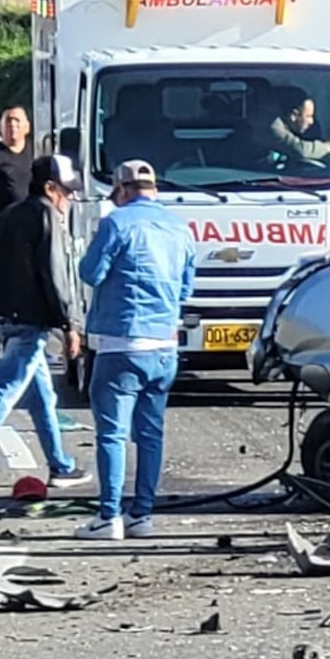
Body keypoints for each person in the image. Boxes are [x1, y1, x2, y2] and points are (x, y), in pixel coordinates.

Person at [75, 160, 196, 540]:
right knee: (150, 433)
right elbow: (186, 288)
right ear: (154, 188)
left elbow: (89, 273)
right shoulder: (180, 227)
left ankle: (108, 516)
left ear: (122, 189)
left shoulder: (116, 222)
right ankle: (142, 514)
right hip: (165, 344)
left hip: (122, 340)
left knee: (111, 433)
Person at [0, 156, 90, 489]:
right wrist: (69, 324)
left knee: (42, 396)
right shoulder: (46, 216)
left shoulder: (8, 216)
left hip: (7, 316)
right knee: (3, 392)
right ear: (50, 188)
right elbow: (55, 275)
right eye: (67, 191)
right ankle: (60, 465)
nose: (71, 199)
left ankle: (61, 466)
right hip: (31, 320)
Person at [269, 90, 330, 161]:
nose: (312, 122)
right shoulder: (273, 125)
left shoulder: (307, 129)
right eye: (308, 116)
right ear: (294, 116)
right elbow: (301, 150)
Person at [0, 106, 34, 219]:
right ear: (1, 128)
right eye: (8, 121)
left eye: (17, 121)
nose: (12, 125)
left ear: (27, 127)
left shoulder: (37, 151)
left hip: (32, 221)